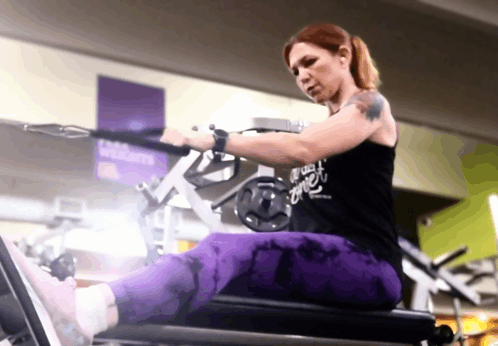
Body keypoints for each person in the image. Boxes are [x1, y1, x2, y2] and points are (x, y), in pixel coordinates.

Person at [0, 23, 403, 346]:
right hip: (331, 265)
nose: (302, 77)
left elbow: (301, 149)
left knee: (223, 249)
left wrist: (211, 138)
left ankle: (84, 312)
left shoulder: (371, 106)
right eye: (295, 71)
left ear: (344, 55)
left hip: (369, 266)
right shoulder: (330, 125)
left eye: (310, 62)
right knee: (214, 283)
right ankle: (53, 312)